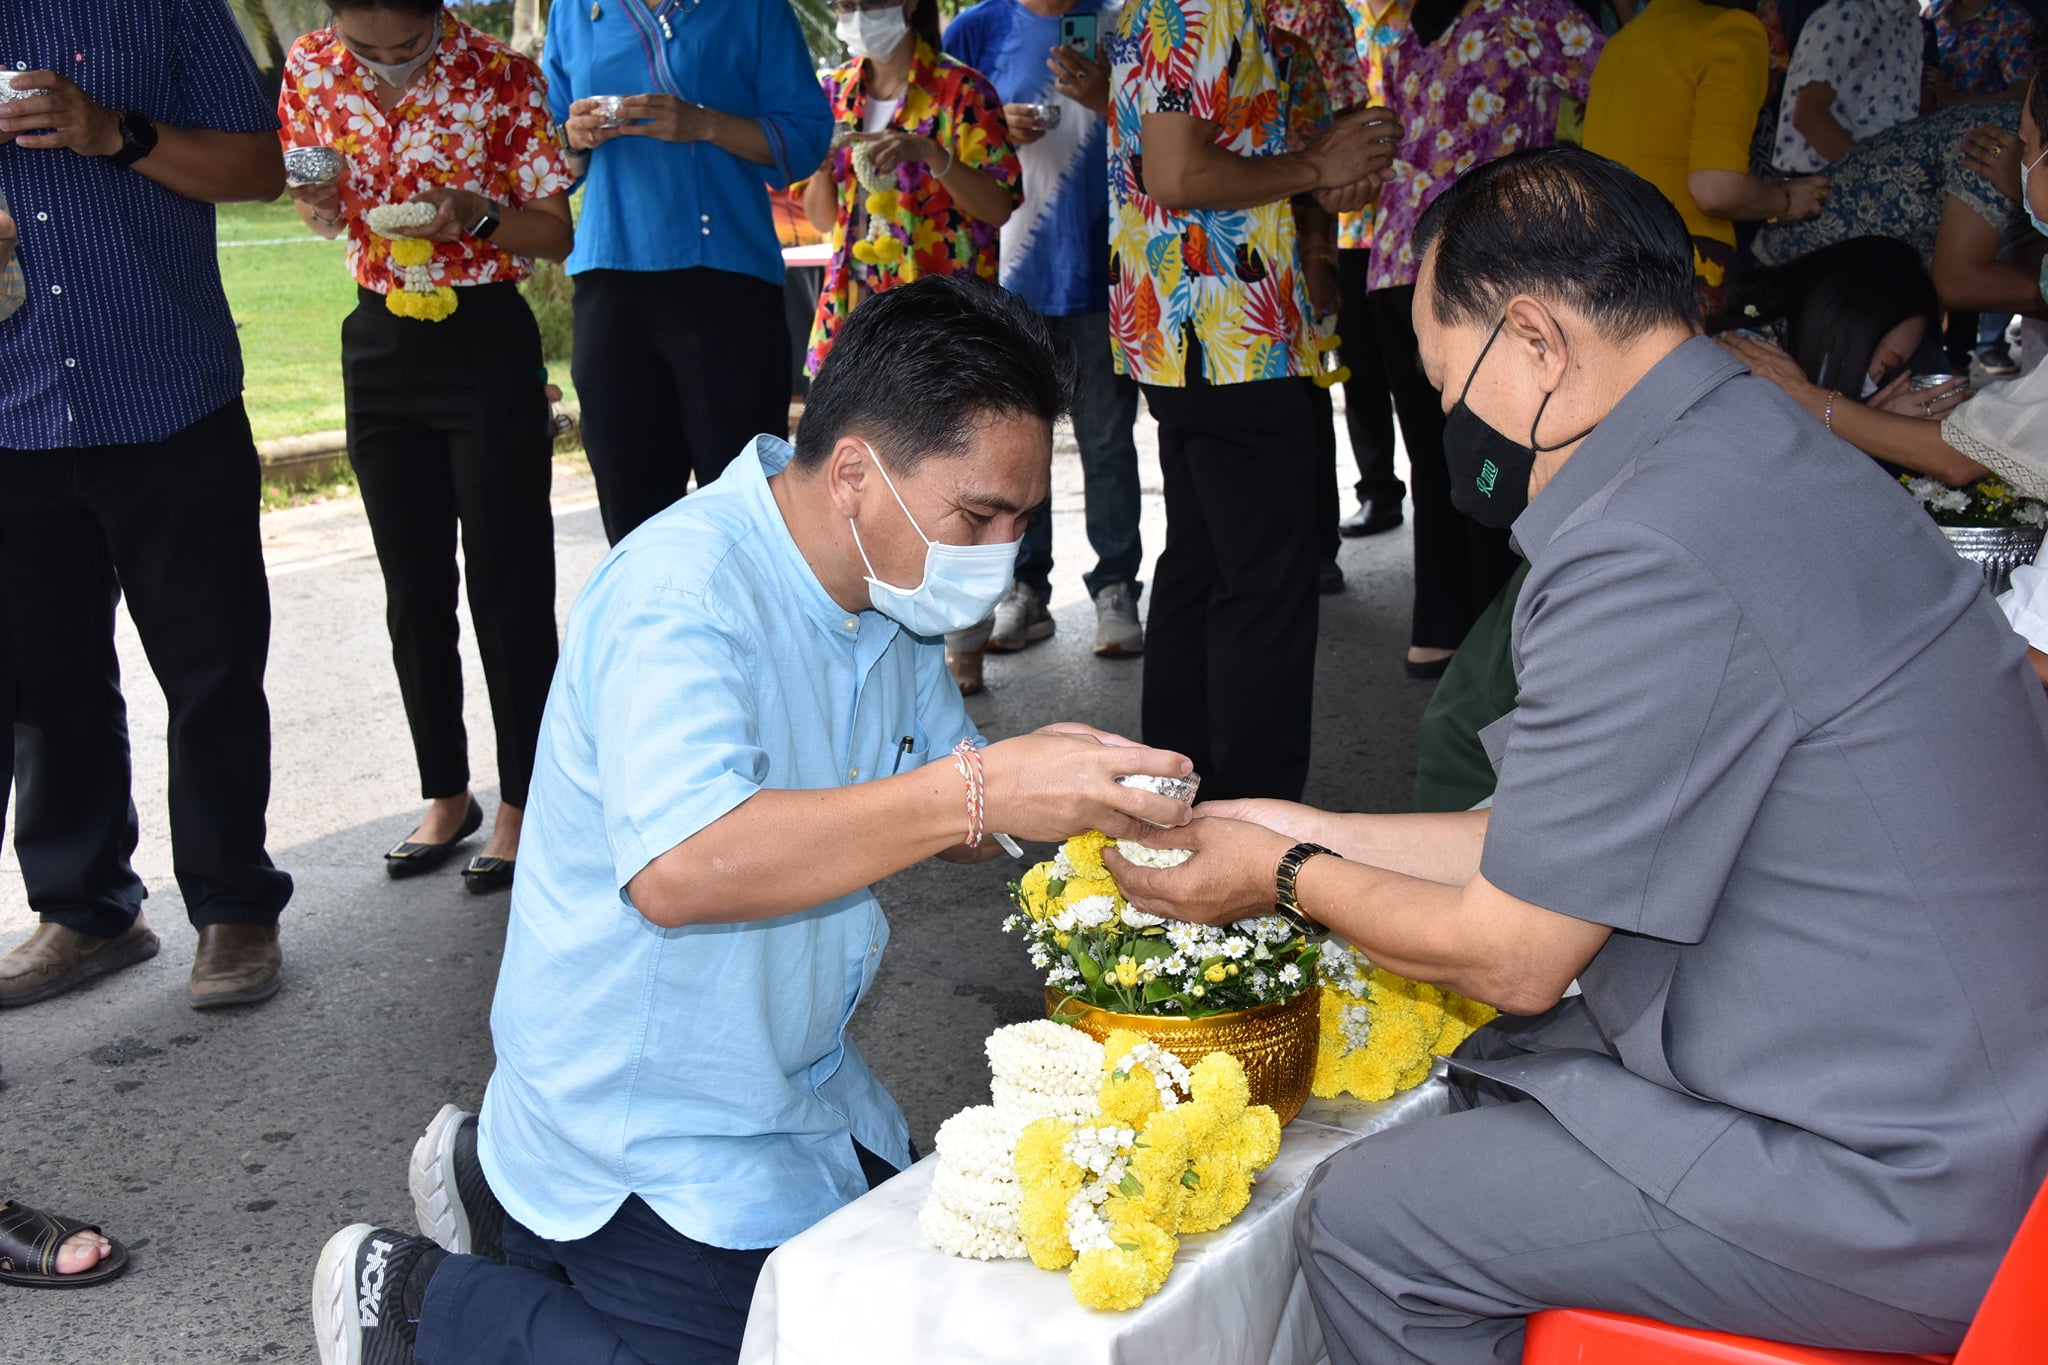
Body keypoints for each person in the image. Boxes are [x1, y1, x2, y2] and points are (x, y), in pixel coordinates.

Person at [1109, 145, 2048, 1365]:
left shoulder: (1646, 540)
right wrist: (1263, 821)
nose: (1450, 429)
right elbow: (1542, 836)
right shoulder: (1760, 454)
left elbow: (1514, 952)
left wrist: (1275, 874)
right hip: (1975, 1104)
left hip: (1899, 1182)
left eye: (1449, 390)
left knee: (1376, 1225)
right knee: (1496, 1083)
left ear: (1538, 344)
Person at [309, 275, 1201, 1365]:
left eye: (1020, 518)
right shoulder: (681, 598)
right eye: (980, 515)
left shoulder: (887, 594)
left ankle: (498, 1195)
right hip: (642, 1118)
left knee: (936, 1317)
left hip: (793, 1080)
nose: (1001, 549)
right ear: (856, 476)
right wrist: (979, 793)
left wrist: (1079, 797)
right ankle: (413, 1301)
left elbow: (940, 789)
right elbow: (682, 870)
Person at [0, 0, 294, 1011]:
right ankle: (87, 913)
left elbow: (262, 167)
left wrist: (107, 132)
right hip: (12, 410)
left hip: (166, 391)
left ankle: (233, 906)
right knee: (46, 685)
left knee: (211, 668)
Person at [280, 0, 574, 893]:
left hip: (483, 334)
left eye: (406, 43)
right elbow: (311, 202)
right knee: (412, 588)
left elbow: (556, 231)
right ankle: (447, 792)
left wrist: (474, 216)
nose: (384, 61)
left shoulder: (502, 74)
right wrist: (318, 204)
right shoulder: (310, 67)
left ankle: (527, 798)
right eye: (364, 47)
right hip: (377, 336)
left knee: (506, 580)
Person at [1108, 0, 1399, 799]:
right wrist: (1315, 168)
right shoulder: (1197, 7)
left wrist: (1318, 179)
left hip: (1202, 331)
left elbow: (1224, 165)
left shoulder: (1217, 16)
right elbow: (1179, 174)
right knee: (1264, 584)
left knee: (1204, 564)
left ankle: (1177, 792)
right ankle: (1249, 824)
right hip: (1223, 333)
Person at [1368, 0, 1601, 679]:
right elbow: (1615, 84)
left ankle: (1441, 628)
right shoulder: (1523, 11)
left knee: (1445, 463)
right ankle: (1504, 647)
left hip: (1398, 266)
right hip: (1479, 272)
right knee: (1498, 462)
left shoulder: (1407, 26)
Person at [542, 0, 831, 545]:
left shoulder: (755, 10)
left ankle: (753, 633)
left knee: (746, 513)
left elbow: (806, 140)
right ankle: (647, 631)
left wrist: (704, 123)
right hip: (611, 279)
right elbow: (545, 153)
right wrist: (573, 136)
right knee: (632, 512)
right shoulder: (574, 9)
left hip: (728, 281)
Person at [943, 0, 1149, 678]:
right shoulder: (975, 31)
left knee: (1106, 439)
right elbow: (942, 136)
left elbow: (1166, 134)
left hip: (1105, 269)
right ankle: (1025, 589)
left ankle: (1117, 585)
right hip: (1007, 276)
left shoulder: (1125, 22)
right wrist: (992, 130)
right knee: (1007, 448)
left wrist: (1107, 95)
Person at [802, 0, 1023, 379]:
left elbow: (998, 207)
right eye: (844, 5)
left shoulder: (965, 92)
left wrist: (932, 155)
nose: (856, 16)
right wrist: (821, 168)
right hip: (851, 314)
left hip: (944, 320)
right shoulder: (832, 93)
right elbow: (821, 217)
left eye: (869, 4)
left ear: (909, 5)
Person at [1582, 0, 1830, 312]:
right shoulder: (1729, 31)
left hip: (1602, 270)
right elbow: (1716, 189)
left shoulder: (1622, 41)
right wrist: (1787, 200)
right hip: (1680, 269)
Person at [1753, 101, 2037, 324]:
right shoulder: (2004, 147)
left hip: (1882, 295)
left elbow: (2036, 268)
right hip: (1806, 281)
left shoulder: (2028, 163)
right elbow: (1956, 283)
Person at [1333, 0, 1411, 543]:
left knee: (1423, 373)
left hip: (1414, 229)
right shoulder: (1341, 16)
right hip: (1350, 227)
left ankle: (1464, 486)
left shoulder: (1427, 17)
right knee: (1359, 368)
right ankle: (1377, 492)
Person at [1774, 0, 1924, 172]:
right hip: (1819, 183)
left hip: (1879, 184)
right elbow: (1808, 115)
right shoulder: (1847, 13)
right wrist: (1874, 174)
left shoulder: (1913, 23)